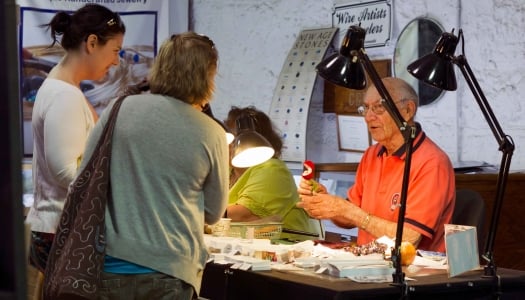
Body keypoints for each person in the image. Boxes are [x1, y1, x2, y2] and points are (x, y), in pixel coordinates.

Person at [79, 32, 228, 299]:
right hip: (171, 269)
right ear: (207, 76)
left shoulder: (118, 109)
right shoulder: (211, 132)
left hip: (110, 265)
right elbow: (214, 212)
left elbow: (84, 177)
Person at [25, 4, 125, 297]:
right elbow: (65, 172)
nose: (117, 62)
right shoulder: (64, 95)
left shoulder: (65, 89)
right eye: (116, 50)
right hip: (59, 231)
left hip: (59, 229)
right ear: (92, 43)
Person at [297, 77, 455, 252]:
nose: (368, 117)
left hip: (410, 273)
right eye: (365, 108)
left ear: (408, 110)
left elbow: (409, 239)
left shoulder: (432, 162)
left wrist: (348, 211)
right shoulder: (372, 154)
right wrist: (327, 204)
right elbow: (350, 217)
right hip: (367, 265)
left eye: (379, 107)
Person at [225, 106, 320, 241]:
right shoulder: (227, 171)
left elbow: (244, 215)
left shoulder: (273, 170)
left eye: (234, 140)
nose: (226, 144)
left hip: (286, 253)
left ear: (253, 141)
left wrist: (199, 213)